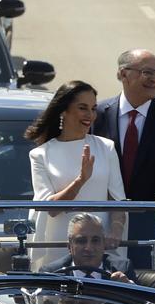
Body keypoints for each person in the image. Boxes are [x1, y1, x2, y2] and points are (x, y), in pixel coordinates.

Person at [92, 48, 155, 269]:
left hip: (149, 222)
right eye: (147, 72)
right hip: (103, 222)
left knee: (147, 281)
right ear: (123, 74)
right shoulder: (98, 115)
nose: (154, 79)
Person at [26, 80, 128, 270]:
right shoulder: (40, 154)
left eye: (93, 109)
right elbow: (50, 208)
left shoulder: (106, 147)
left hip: (98, 248)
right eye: (83, 108)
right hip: (58, 248)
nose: (90, 115)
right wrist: (80, 180)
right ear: (63, 111)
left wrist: (115, 232)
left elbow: (118, 201)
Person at [39, 213, 135, 283]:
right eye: (81, 241)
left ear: (104, 244)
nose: (89, 248)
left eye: (95, 240)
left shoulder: (122, 269)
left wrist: (128, 289)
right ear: (69, 246)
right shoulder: (51, 274)